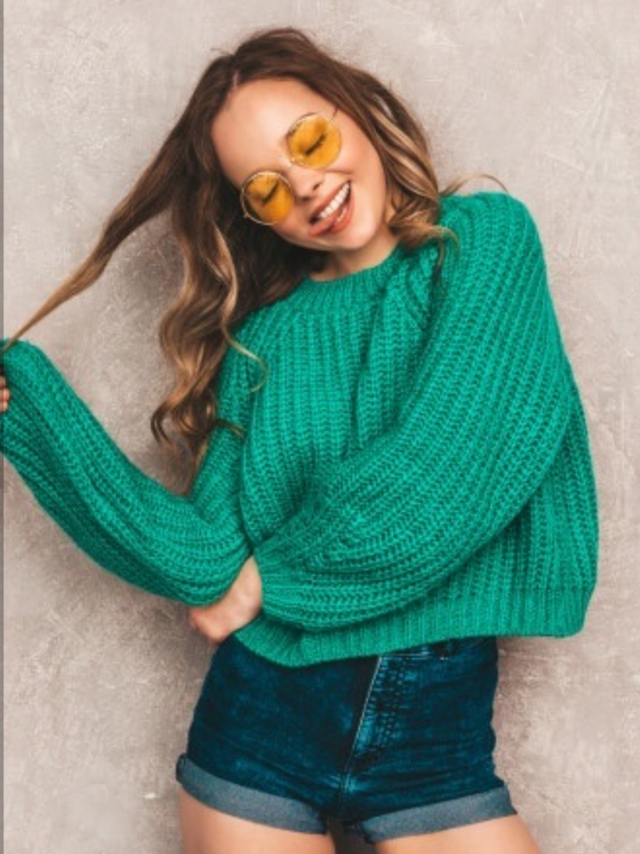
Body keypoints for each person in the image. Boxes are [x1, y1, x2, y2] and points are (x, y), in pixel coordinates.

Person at [0, 25, 599, 854]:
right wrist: (32, 417)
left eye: (310, 141)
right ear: (254, 217)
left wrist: (265, 580)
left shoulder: (483, 242)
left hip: (435, 740)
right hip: (260, 726)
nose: (307, 187)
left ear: (354, 110)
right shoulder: (260, 341)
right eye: (266, 189)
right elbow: (207, 561)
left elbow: (451, 470)